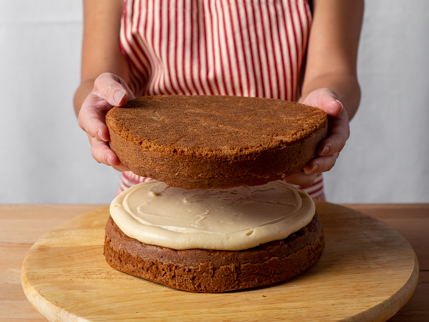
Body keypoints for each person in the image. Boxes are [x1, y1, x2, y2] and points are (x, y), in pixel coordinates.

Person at [74, 0, 363, 200]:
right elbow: (94, 79)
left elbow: (335, 71)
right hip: (151, 196)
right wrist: (99, 99)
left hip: (287, 188)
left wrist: (327, 105)